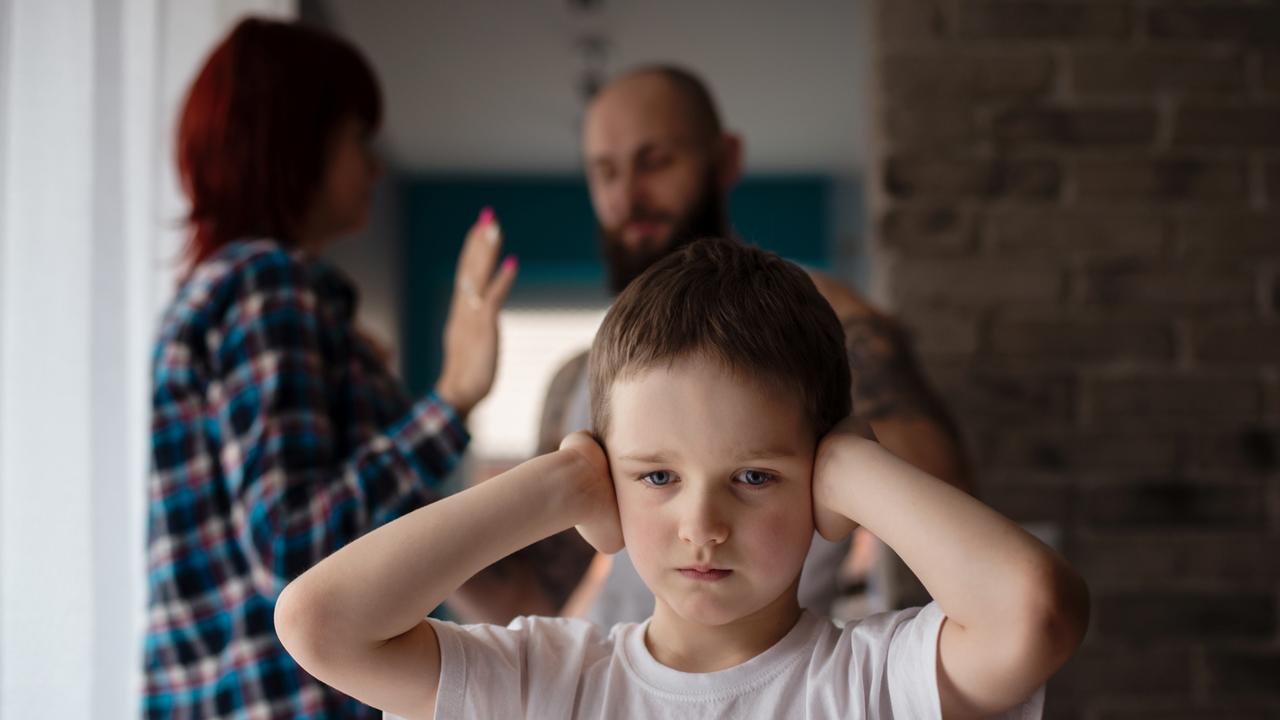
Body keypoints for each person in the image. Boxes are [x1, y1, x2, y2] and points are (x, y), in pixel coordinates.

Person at [274, 238, 1088, 719]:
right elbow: (319, 624)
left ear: (821, 483)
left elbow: (1038, 613)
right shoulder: (547, 685)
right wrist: (559, 486)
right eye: (658, 474)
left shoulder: (876, 682)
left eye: (755, 477)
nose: (704, 524)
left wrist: (853, 467)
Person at [503, 65, 972, 626]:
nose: (629, 197)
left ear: (724, 159)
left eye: (655, 162)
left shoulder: (821, 322)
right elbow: (533, 599)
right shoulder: (579, 378)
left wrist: (823, 337)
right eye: (606, 172)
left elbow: (944, 494)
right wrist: (449, 407)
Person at [144, 18, 515, 719]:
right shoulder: (268, 287)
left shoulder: (226, 291)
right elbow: (291, 543)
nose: (375, 167)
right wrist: (451, 401)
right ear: (295, 143)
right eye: (357, 139)